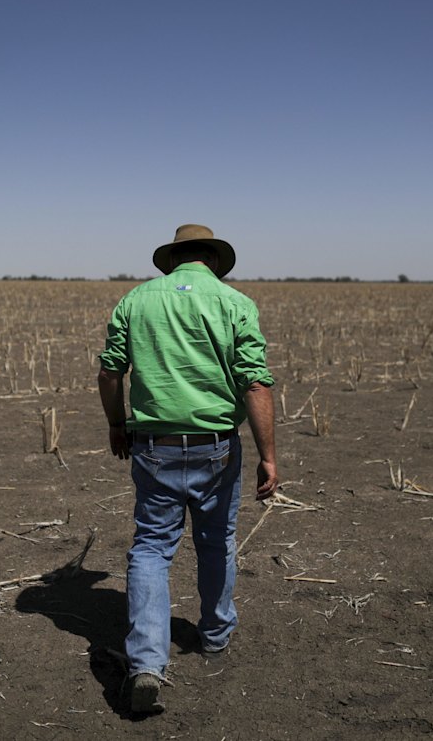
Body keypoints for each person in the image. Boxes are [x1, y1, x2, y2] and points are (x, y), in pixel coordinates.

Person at [98, 224, 277, 714]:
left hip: (152, 445)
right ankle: (215, 635)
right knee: (216, 539)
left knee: (152, 547)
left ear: (174, 259)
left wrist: (118, 423)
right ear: (214, 260)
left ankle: (147, 663)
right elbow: (256, 385)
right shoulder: (233, 302)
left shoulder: (135, 300)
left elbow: (111, 372)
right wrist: (268, 455)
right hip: (216, 446)